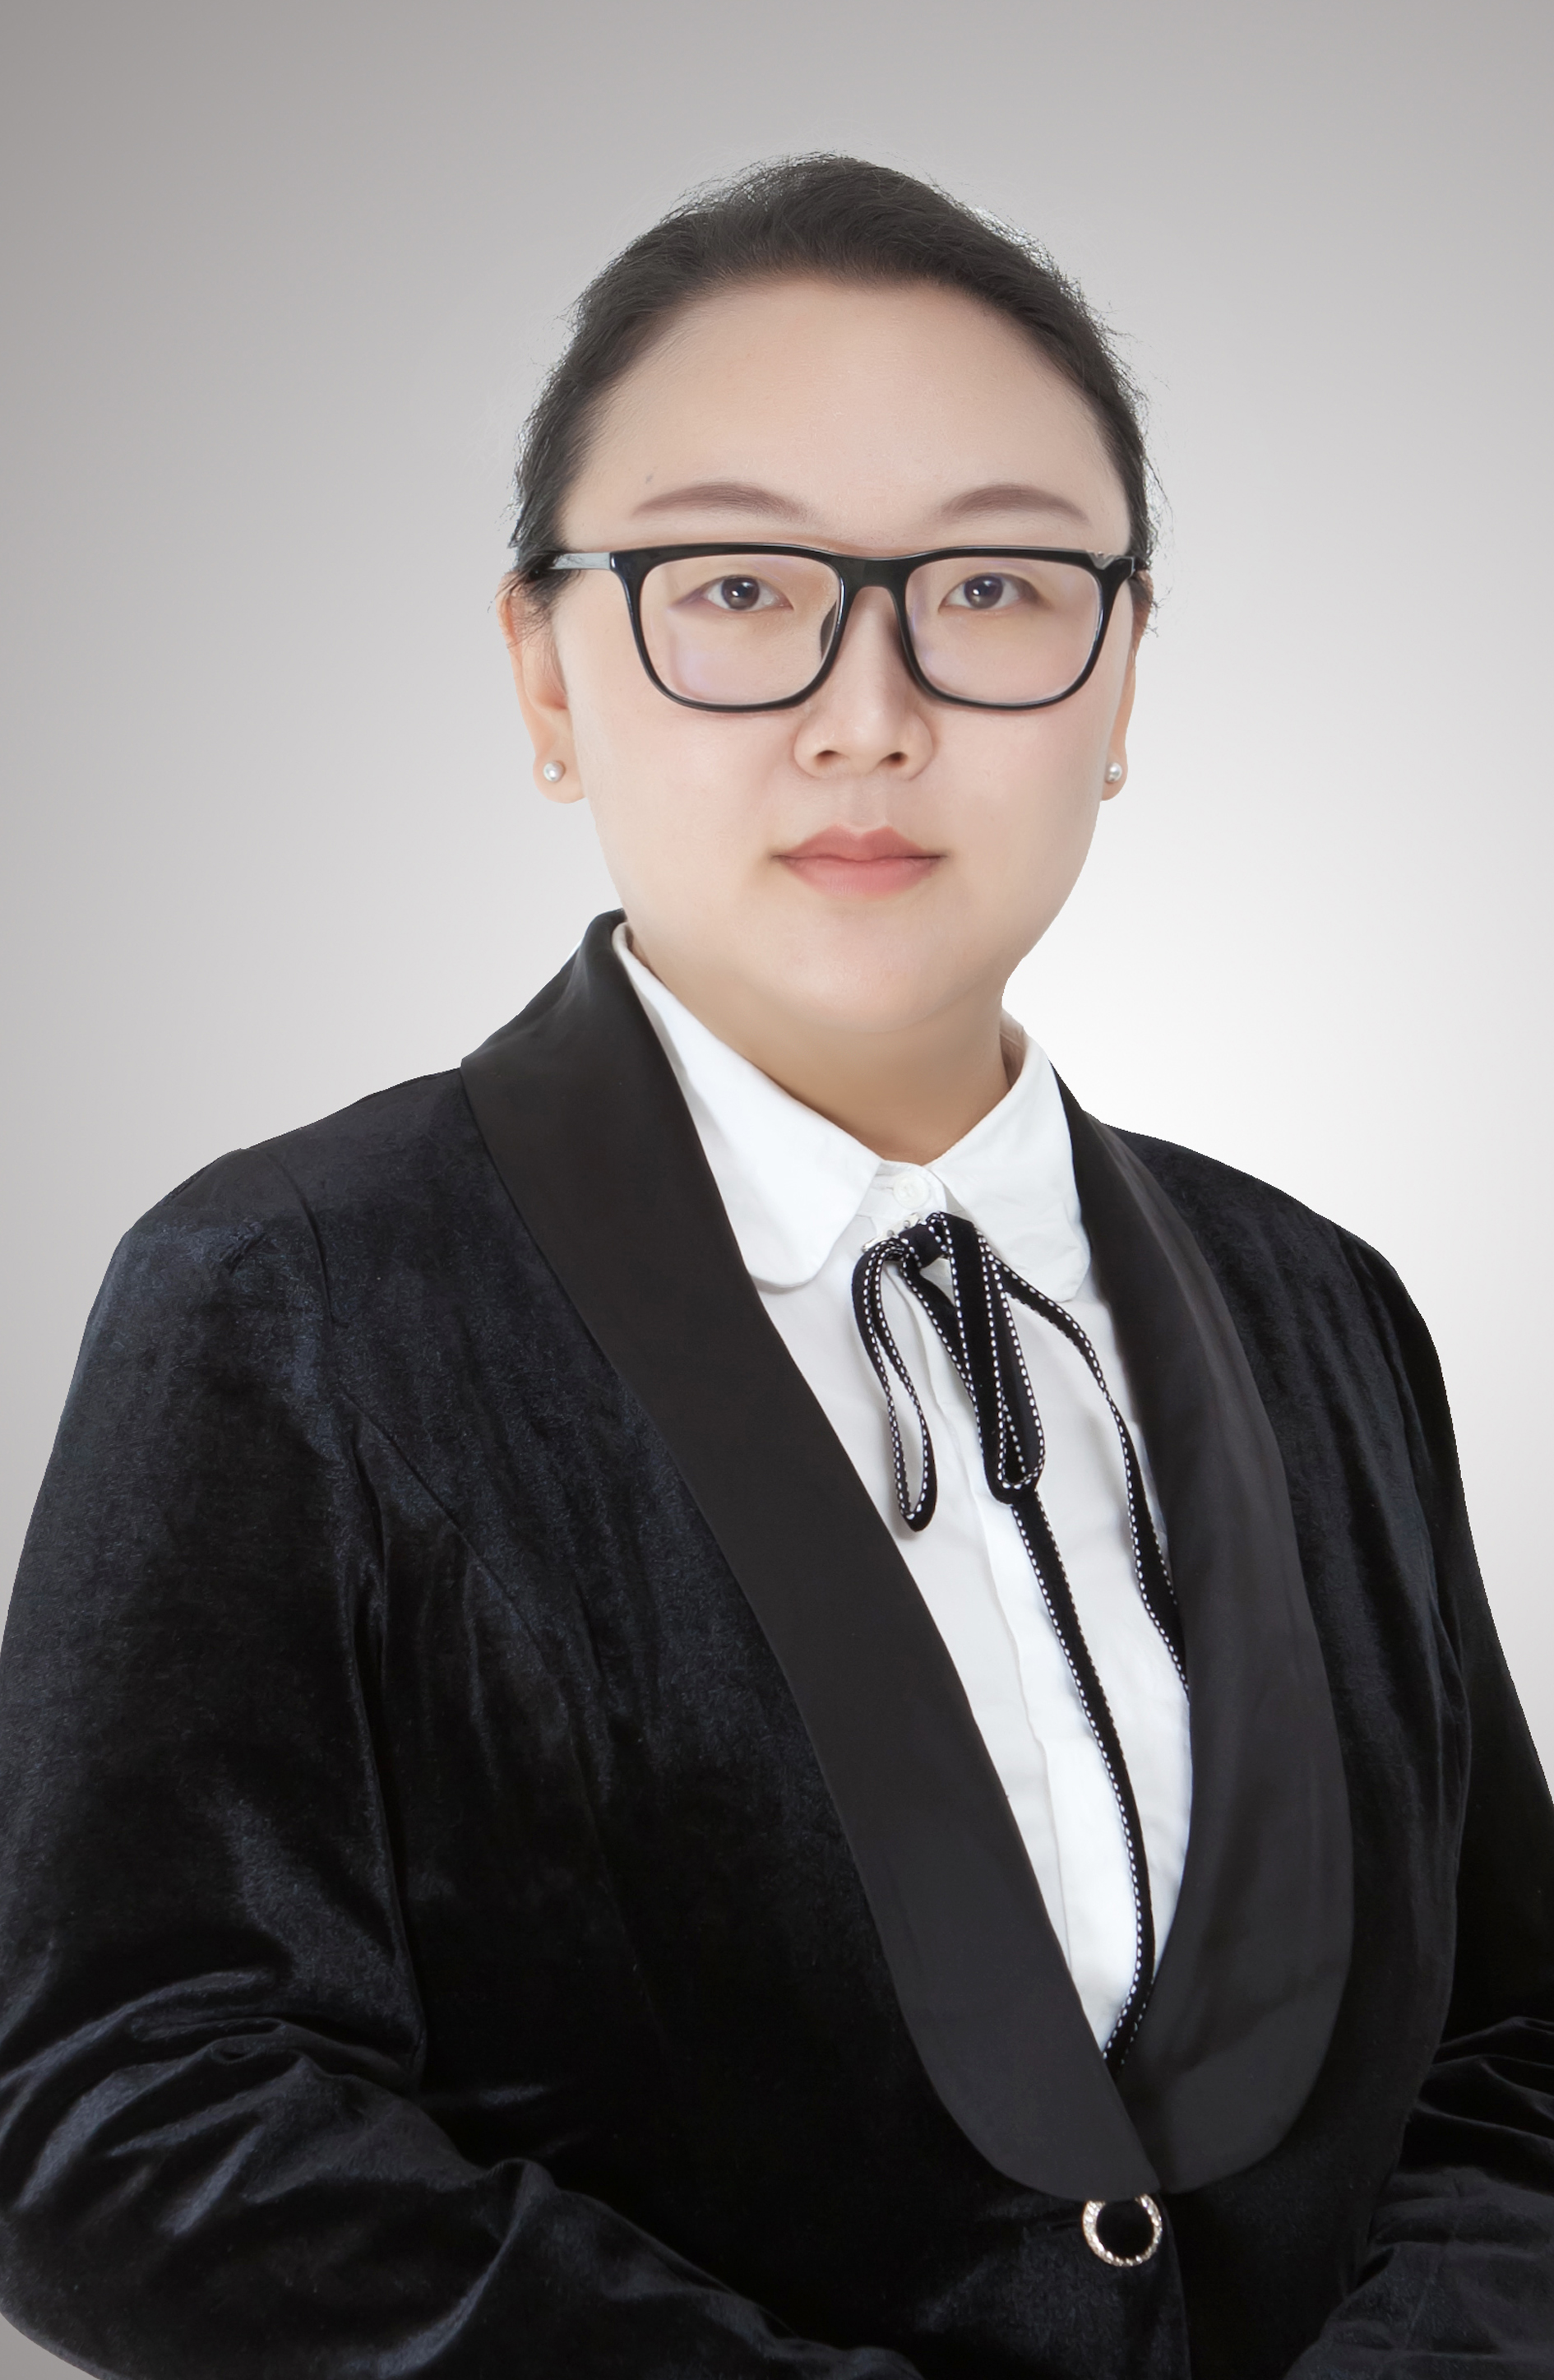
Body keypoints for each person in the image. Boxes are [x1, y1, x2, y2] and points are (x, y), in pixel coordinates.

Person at [0, 154, 1550, 2380]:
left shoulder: (1319, 1307)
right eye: (734, 585)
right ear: (542, 671)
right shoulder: (287, 1296)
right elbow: (115, 2108)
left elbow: (1510, 2048)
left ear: (1123, 672)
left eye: (993, 586)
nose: (868, 713)